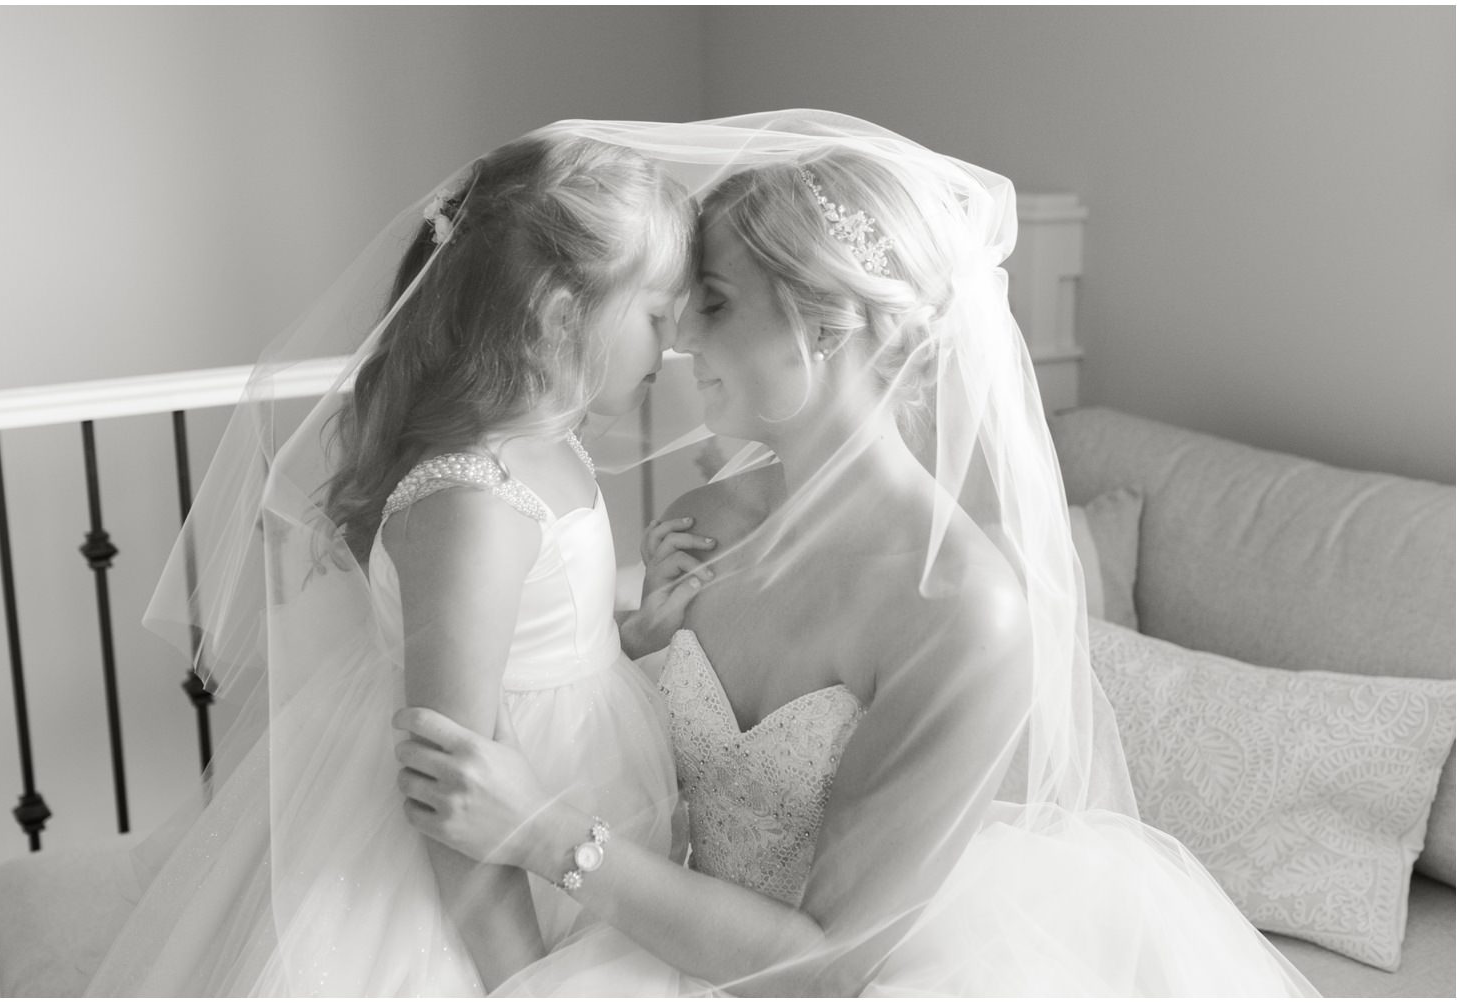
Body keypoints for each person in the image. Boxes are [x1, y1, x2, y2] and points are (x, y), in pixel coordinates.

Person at [391, 114, 1320, 996]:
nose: (680, 336)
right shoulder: (703, 522)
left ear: (827, 326)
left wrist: (546, 832)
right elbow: (629, 762)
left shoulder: (967, 611)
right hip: (652, 940)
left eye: (712, 301)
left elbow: (831, 965)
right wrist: (630, 648)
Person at [87, 130, 709, 994]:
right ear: (565, 315)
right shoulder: (475, 503)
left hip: (570, 794)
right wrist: (524, 982)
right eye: (655, 317)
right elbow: (454, 796)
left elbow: (524, 648)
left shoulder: (547, 447)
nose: (672, 345)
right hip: (484, 885)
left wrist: (625, 635)